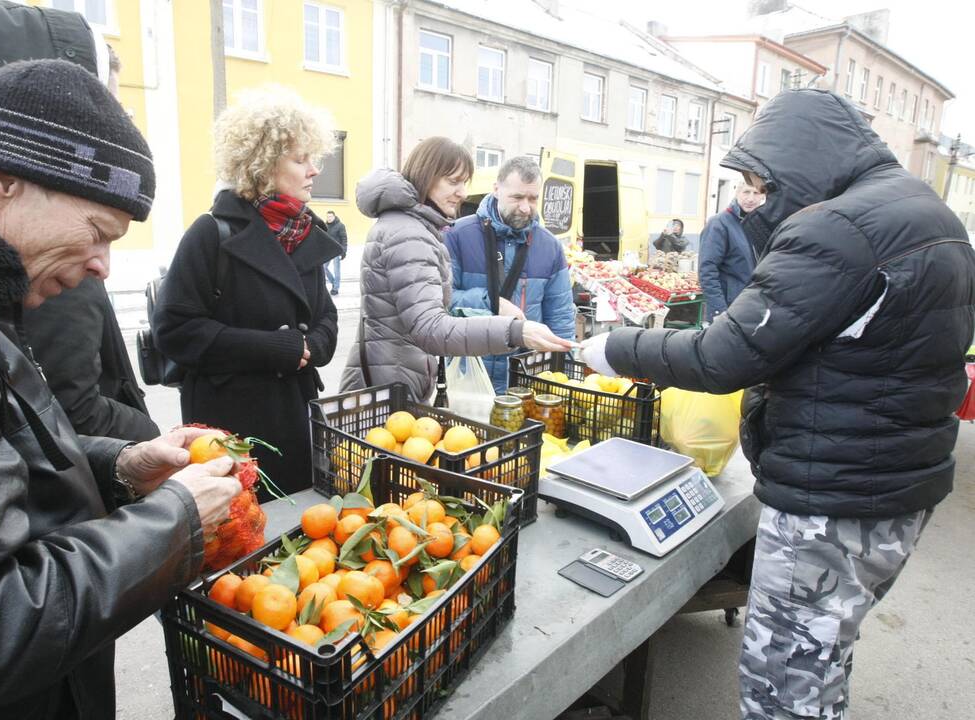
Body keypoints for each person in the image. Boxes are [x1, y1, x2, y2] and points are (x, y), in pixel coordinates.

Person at [580, 88, 975, 720]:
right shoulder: (933, 217)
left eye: (762, 182)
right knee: (823, 658)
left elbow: (723, 355)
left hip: (833, 499)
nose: (755, 197)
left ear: (799, 164)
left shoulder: (838, 228)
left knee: (783, 689)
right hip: (902, 489)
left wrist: (615, 348)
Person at [0, 59, 241, 719]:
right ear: (3, 179)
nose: (101, 267)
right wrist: (175, 525)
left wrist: (119, 466)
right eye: (98, 233)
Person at [0, 0, 159, 442]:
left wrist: (121, 461)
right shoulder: (39, 260)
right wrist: (163, 479)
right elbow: (66, 414)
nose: (102, 265)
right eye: (105, 105)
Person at [153, 86, 341, 499]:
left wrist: (312, 346)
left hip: (294, 414)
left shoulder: (306, 234)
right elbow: (176, 330)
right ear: (263, 165)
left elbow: (326, 317)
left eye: (314, 159)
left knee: (295, 528)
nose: (314, 171)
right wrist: (276, 348)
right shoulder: (211, 233)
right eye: (300, 159)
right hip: (230, 425)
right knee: (239, 535)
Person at [339, 137, 574, 401]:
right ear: (426, 177)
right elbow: (431, 327)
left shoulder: (416, 227)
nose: (462, 192)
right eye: (453, 182)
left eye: (464, 182)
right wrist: (515, 331)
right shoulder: (410, 233)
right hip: (389, 386)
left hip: (396, 378)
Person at [444, 155, 576, 393]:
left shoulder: (551, 247)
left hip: (524, 383)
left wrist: (563, 381)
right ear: (496, 189)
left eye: (533, 198)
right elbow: (442, 302)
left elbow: (561, 320)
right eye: (517, 197)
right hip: (469, 377)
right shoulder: (457, 236)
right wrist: (492, 302)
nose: (526, 208)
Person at [698, 182, 765, 322]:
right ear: (737, 193)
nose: (751, 198)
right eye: (746, 192)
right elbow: (707, 270)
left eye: (756, 193)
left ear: (762, 196)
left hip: (753, 305)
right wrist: (719, 310)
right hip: (729, 308)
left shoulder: (760, 224)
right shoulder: (719, 223)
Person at [324, 209, 348, 295]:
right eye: (327, 216)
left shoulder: (340, 226)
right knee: (323, 268)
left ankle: (335, 288)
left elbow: (344, 239)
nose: (329, 218)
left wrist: (344, 251)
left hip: (337, 251)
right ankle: (334, 282)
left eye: (330, 216)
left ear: (334, 216)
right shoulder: (325, 225)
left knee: (336, 270)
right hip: (327, 251)